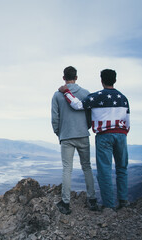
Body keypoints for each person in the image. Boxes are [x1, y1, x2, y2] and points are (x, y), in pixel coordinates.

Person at [59, 69, 130, 210]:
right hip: (121, 135)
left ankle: (109, 206)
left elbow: (78, 105)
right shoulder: (123, 98)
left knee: (105, 171)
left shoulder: (96, 97)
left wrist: (66, 91)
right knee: (122, 168)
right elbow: (127, 121)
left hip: (104, 136)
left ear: (101, 80)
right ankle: (123, 201)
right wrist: (122, 133)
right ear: (114, 80)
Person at [51, 66, 97, 215]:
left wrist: (60, 133)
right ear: (76, 77)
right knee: (87, 167)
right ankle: (92, 200)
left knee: (67, 169)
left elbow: (55, 119)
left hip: (66, 137)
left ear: (63, 78)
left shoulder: (57, 95)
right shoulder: (86, 93)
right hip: (83, 134)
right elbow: (91, 116)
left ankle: (65, 203)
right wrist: (85, 127)